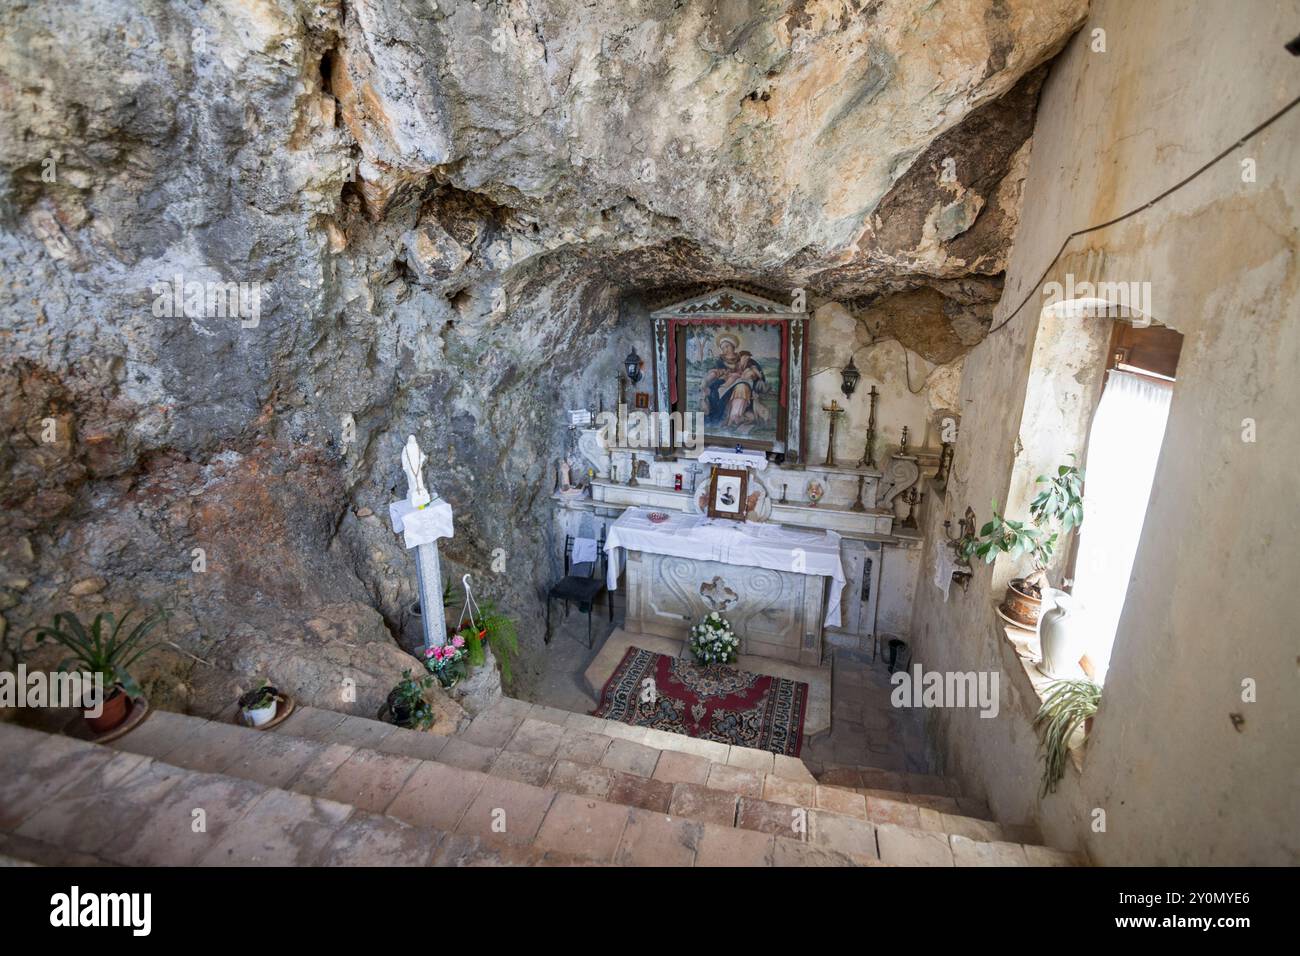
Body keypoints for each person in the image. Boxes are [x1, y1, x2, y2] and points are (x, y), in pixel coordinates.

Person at [699, 334, 770, 432]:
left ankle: (735, 417)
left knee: (742, 386)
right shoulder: (719, 361)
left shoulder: (743, 358)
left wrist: (751, 373)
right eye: (722, 348)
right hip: (725, 384)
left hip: (742, 383)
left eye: (727, 346)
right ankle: (729, 419)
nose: (725, 350)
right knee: (720, 389)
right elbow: (715, 373)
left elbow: (755, 371)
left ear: (733, 346)